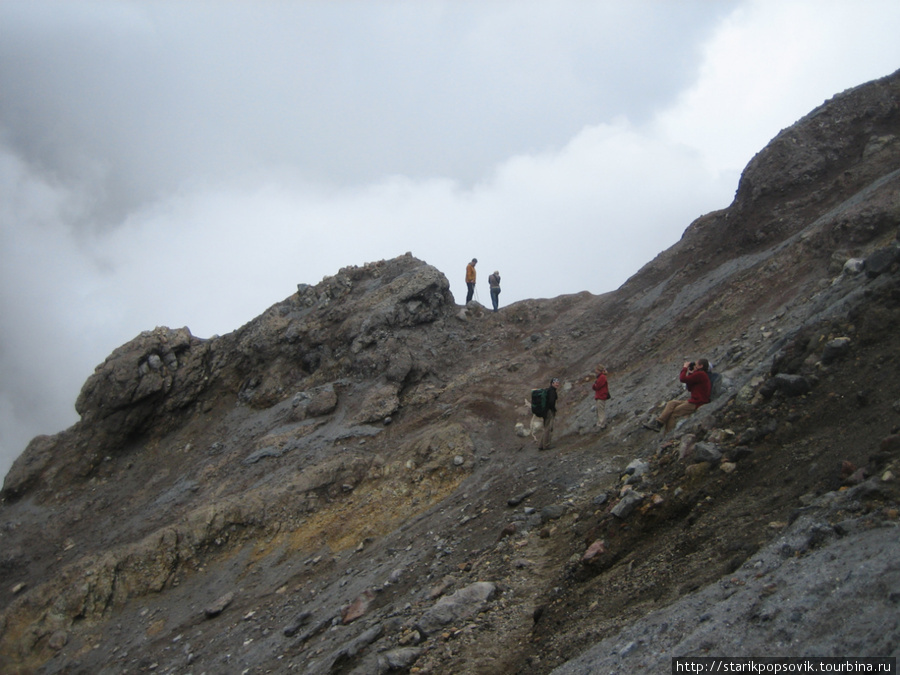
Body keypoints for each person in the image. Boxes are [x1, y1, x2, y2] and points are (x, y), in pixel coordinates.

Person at [644, 359, 711, 433]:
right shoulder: (698, 375)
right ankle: (659, 423)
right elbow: (690, 388)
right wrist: (690, 374)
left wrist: (685, 368)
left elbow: (682, 379)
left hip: (697, 402)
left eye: (696, 364)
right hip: (694, 400)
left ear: (701, 366)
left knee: (674, 413)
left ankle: (668, 436)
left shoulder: (701, 374)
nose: (694, 366)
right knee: (671, 403)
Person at [539, 377, 561, 450]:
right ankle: (546, 445)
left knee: (546, 427)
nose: (557, 384)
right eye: (556, 383)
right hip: (549, 411)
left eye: (558, 382)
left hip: (544, 411)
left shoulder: (548, 390)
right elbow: (551, 402)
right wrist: (553, 409)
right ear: (552, 383)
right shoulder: (552, 391)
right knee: (548, 428)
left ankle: (541, 445)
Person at [591, 365, 610, 429]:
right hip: (600, 396)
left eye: (596, 369)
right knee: (599, 410)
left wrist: (594, 385)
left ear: (599, 370)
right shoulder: (601, 377)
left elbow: (597, 386)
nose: (595, 371)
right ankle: (600, 423)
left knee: (600, 410)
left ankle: (602, 424)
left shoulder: (602, 377)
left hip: (601, 396)